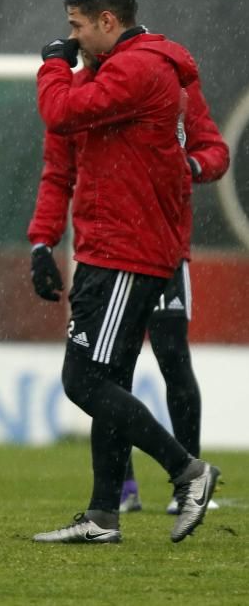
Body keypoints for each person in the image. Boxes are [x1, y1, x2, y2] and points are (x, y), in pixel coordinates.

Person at [31, 0, 219, 545]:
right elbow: (60, 160)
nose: (72, 39)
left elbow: (58, 112)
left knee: (83, 380)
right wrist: (43, 240)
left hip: (126, 251)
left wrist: (50, 66)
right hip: (110, 247)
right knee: (109, 380)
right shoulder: (114, 72)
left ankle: (187, 470)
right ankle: (102, 516)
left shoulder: (138, 69)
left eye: (77, 27)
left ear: (108, 21)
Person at [119, 83, 229, 514]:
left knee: (174, 360)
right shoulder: (104, 84)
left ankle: (187, 483)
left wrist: (192, 164)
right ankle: (122, 487)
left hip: (166, 251)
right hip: (113, 253)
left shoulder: (179, 86)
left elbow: (215, 151)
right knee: (111, 371)